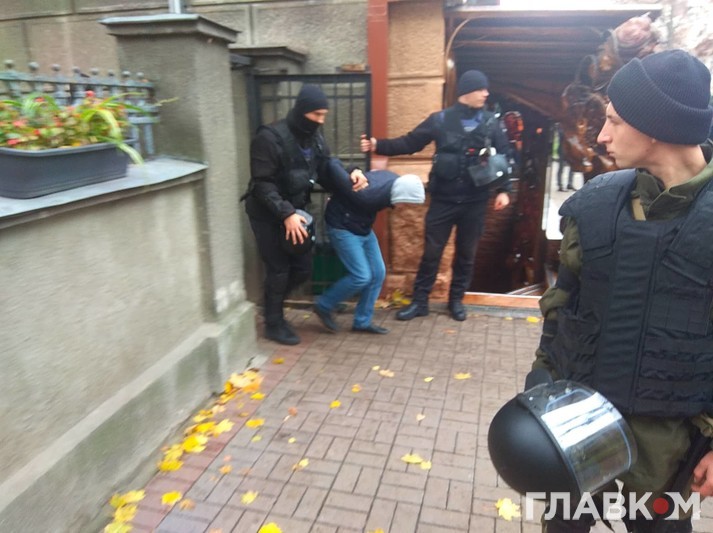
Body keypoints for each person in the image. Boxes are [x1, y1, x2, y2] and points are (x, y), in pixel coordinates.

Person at [528, 49, 713, 532]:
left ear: (655, 127)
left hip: (666, 454)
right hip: (575, 435)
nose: (602, 136)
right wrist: (540, 383)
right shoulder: (595, 204)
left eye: (613, 121)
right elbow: (562, 307)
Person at [361, 69, 511, 322]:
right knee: (431, 253)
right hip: (443, 200)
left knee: (466, 255)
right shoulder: (440, 120)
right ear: (467, 91)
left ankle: (456, 301)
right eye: (481, 88)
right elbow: (410, 143)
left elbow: (505, 155)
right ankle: (420, 302)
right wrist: (378, 145)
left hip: (475, 202)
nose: (486, 93)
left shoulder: (491, 122)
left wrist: (505, 190)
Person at [244, 85, 368, 346]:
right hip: (268, 213)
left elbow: (327, 166)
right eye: (316, 115)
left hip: (297, 211)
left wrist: (352, 173)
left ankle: (272, 304)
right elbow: (262, 183)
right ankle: (273, 323)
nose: (320, 121)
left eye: (324, 115)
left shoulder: (314, 138)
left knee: (302, 268)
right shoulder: (269, 138)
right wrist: (286, 213)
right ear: (302, 111)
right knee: (279, 268)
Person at [313, 159, 425, 334]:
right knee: (361, 276)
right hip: (342, 227)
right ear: (400, 193)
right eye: (406, 202)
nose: (404, 207)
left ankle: (362, 322)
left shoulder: (392, 180)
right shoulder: (369, 195)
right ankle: (323, 305)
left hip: (362, 228)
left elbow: (364, 176)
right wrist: (351, 170)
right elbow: (332, 164)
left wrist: (355, 170)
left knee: (378, 273)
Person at [555, 123, 576, 192]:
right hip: (563, 150)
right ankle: (560, 185)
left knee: (572, 168)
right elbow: (561, 135)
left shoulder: (572, 126)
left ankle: (570, 183)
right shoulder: (560, 125)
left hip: (571, 150)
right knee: (561, 168)